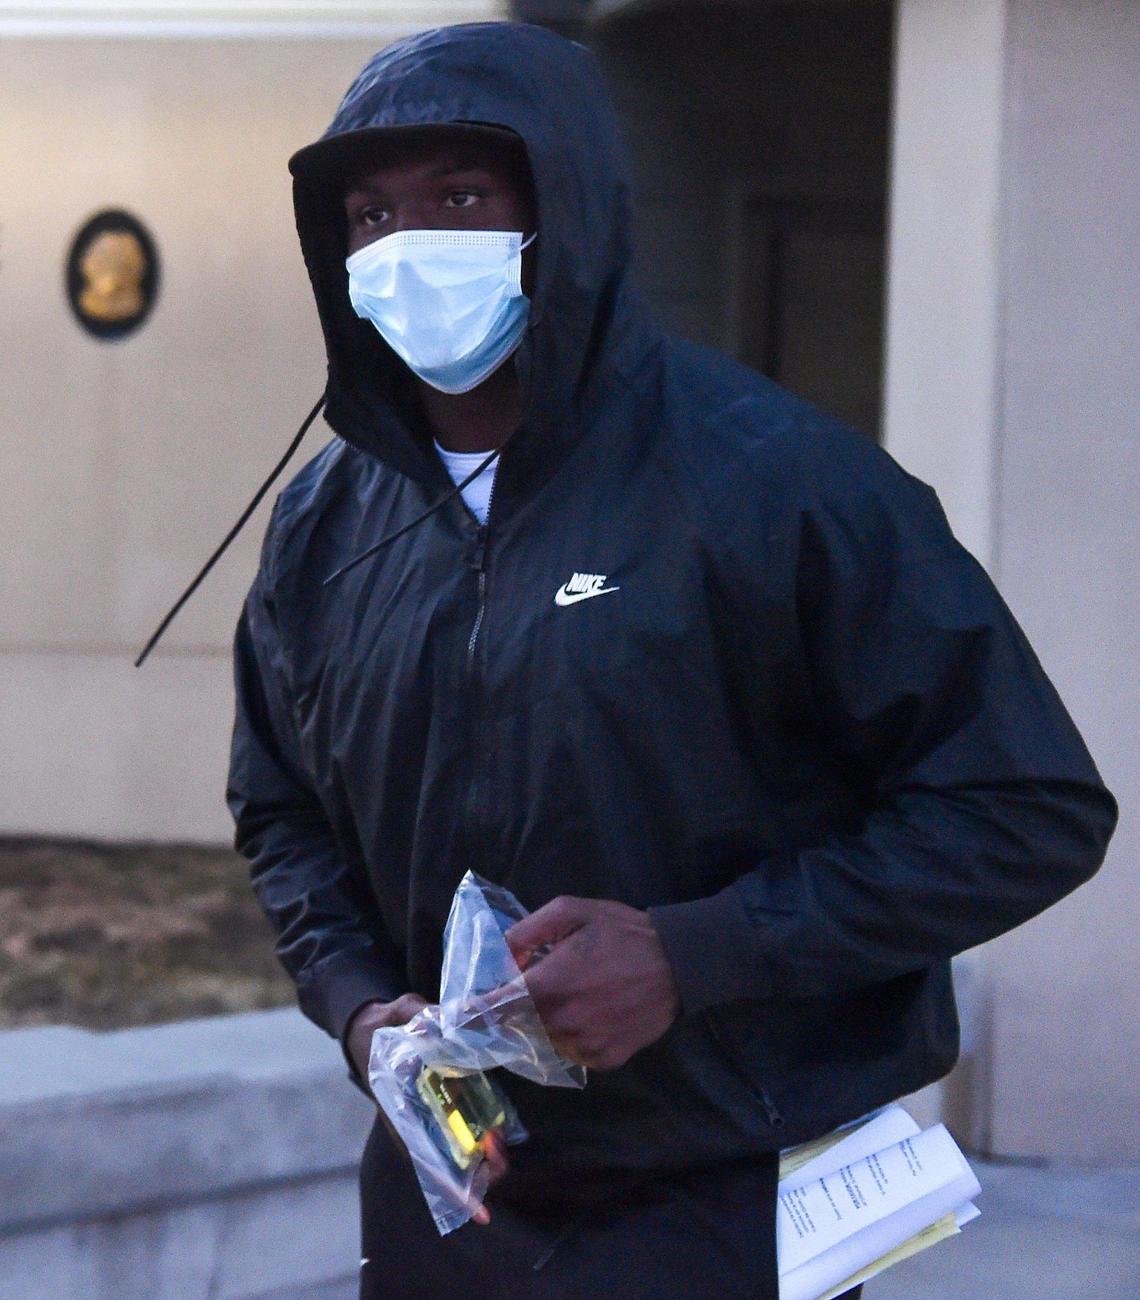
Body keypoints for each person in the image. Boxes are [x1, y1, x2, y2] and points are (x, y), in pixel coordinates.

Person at [228, 22, 1116, 1299]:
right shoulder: (325, 528)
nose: (407, 244)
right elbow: (282, 809)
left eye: (461, 198)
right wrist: (361, 1005)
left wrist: (696, 953)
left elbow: (1024, 807)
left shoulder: (779, 483)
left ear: (566, 211)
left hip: (730, 1194)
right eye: (370, 215)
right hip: (453, 1186)